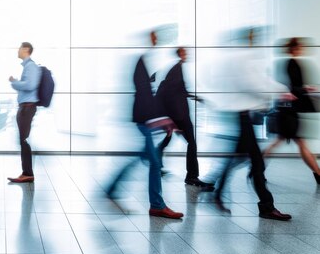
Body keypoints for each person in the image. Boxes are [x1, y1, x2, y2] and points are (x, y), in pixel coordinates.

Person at [212, 28, 293, 220]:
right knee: (256, 161)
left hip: (241, 114)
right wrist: (278, 92)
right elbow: (253, 83)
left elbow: (259, 80)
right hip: (241, 115)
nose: (256, 41)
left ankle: (217, 192)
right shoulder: (242, 58)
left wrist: (280, 89)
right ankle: (266, 206)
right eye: (253, 38)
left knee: (240, 158)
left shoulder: (239, 57)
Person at [123, 31, 183, 219]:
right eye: (153, 37)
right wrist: (160, 119)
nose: (156, 40)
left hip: (145, 119)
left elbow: (150, 94)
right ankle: (156, 205)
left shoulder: (148, 62)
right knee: (155, 163)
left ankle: (113, 189)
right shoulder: (143, 62)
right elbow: (144, 94)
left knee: (145, 159)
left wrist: (162, 119)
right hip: (143, 119)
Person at [263, 38, 320, 184]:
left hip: (288, 109)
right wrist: (305, 88)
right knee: (298, 142)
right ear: (294, 48)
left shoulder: (285, 63)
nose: (302, 49)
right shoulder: (291, 63)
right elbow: (290, 87)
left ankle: (256, 169)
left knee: (282, 141)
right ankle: (318, 174)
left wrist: (304, 88)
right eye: (299, 47)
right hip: (289, 110)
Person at [156, 47, 214, 188]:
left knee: (168, 140)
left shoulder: (177, 68)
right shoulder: (176, 69)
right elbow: (171, 93)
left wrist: (196, 97)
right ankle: (192, 177)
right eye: (184, 52)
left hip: (176, 115)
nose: (186, 54)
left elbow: (178, 90)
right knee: (191, 143)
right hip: (179, 115)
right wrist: (176, 118)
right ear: (179, 54)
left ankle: (156, 163)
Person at [7, 42, 41, 183]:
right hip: (25, 107)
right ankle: (26, 172)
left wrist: (14, 82)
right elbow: (27, 84)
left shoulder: (31, 66)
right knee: (23, 140)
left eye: (19, 48)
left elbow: (30, 85)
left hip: (27, 108)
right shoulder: (28, 67)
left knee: (24, 140)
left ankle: (27, 173)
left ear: (26, 49)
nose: (18, 50)